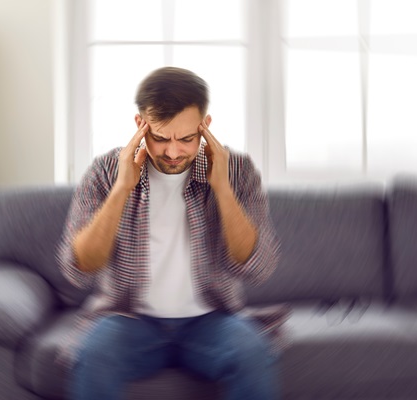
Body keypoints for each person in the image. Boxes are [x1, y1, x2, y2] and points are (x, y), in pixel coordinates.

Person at [58, 66, 282, 400]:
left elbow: (258, 267)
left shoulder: (239, 171)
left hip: (212, 320)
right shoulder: (105, 172)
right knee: (95, 356)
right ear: (140, 125)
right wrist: (121, 189)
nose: (173, 152)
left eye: (187, 139)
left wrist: (221, 187)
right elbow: (79, 268)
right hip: (129, 320)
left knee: (252, 354)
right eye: (160, 138)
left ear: (205, 126)